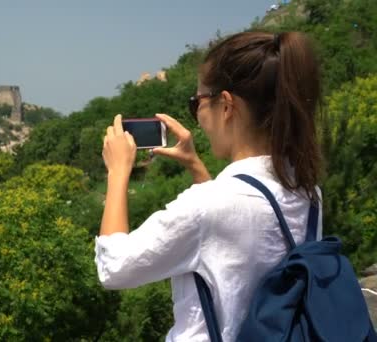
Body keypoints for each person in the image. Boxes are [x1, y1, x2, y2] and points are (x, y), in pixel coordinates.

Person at [96, 31, 323, 341]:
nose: (198, 115)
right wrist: (195, 166)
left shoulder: (206, 206)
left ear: (227, 105)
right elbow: (236, 239)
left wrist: (118, 172)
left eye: (197, 102)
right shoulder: (307, 192)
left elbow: (115, 268)